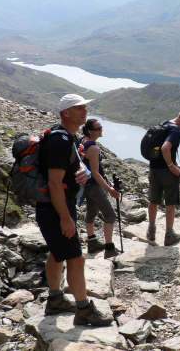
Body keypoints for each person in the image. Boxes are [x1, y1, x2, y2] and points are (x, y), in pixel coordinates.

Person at [36, 94, 112, 326]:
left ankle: (55, 299)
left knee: (57, 254)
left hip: (54, 207)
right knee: (76, 258)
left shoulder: (66, 136)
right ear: (65, 113)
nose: (84, 112)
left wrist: (83, 172)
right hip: (56, 209)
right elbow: (55, 183)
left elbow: (70, 169)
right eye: (78, 108)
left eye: (84, 107)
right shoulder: (60, 140)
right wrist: (66, 218)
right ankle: (83, 310)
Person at [147, 109, 180, 246]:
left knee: (153, 201)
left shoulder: (164, 124)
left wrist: (174, 162)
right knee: (170, 204)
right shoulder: (176, 130)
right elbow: (165, 148)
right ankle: (169, 235)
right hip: (167, 173)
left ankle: (151, 231)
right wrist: (172, 166)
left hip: (154, 169)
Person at [81, 118, 120, 259]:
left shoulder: (83, 140)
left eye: (101, 127)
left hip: (86, 185)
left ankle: (92, 242)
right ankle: (109, 249)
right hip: (94, 186)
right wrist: (110, 189)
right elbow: (95, 173)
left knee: (91, 212)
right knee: (110, 215)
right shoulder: (94, 148)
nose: (101, 130)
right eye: (98, 128)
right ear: (91, 131)